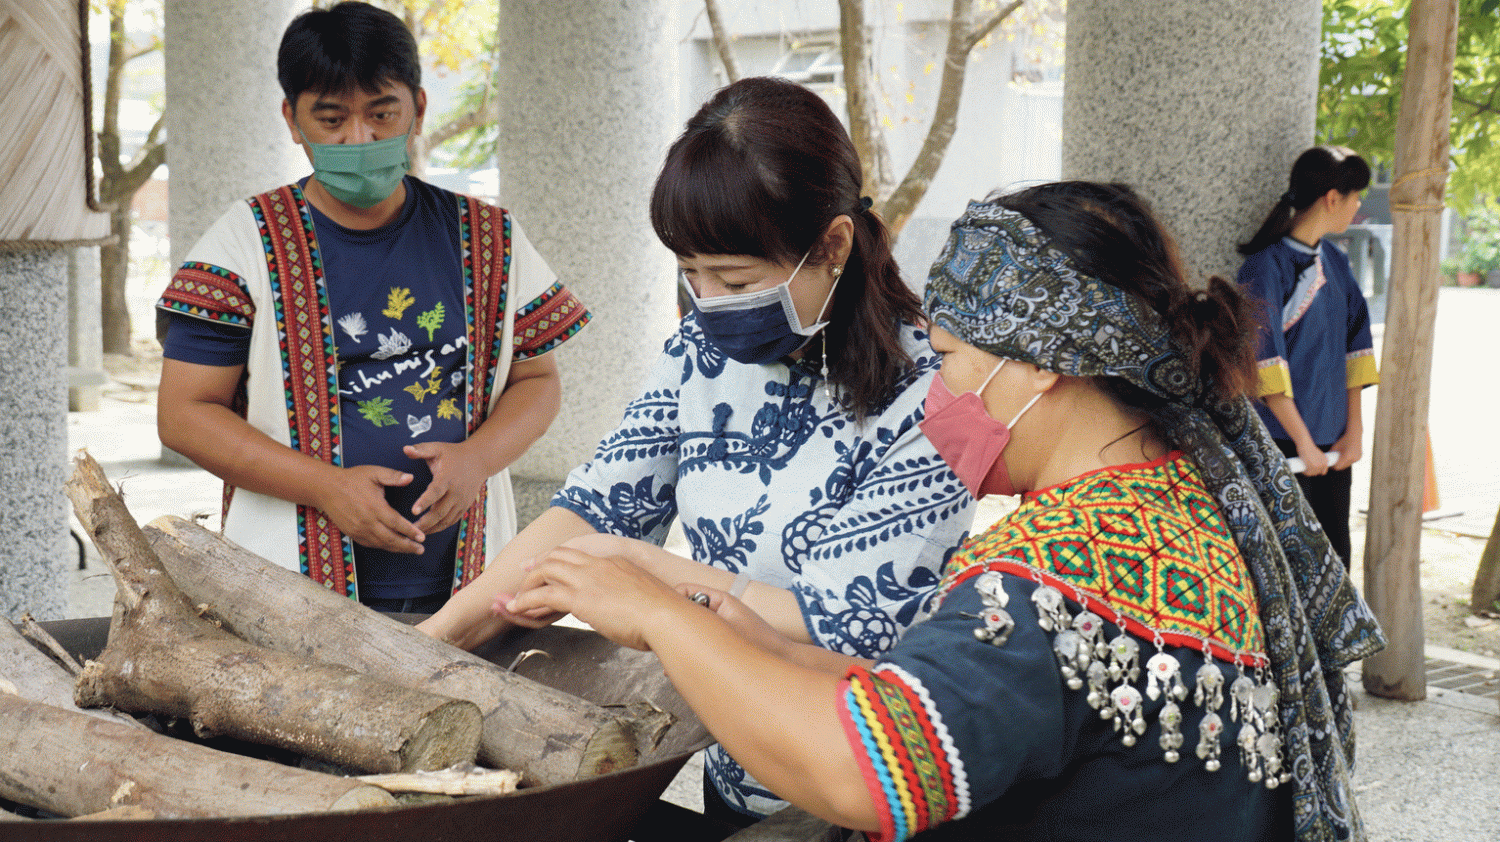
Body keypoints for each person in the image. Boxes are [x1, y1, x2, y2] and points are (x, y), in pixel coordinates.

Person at [504, 182, 1386, 842]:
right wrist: (745, 634)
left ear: (1041, 363)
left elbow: (869, 775)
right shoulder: (1183, 498)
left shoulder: (1067, 567)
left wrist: (663, 618)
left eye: (956, 358)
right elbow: (931, 698)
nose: (938, 396)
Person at [417, 76, 974, 821]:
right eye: (689, 274)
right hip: (730, 751)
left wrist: (650, 579)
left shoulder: (942, 397)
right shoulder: (697, 355)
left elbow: (854, 625)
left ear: (833, 243)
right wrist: (432, 646)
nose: (708, 303)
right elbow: (592, 512)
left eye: (736, 278)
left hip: (858, 773)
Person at [155, 2, 590, 614]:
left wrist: (476, 461)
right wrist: (326, 488)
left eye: (382, 114)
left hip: (470, 580)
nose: (358, 139)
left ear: (418, 108)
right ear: (292, 119)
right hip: (289, 586)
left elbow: (538, 381)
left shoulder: (489, 236)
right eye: (330, 119)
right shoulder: (241, 245)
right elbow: (184, 414)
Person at [1236, 146, 1379, 569]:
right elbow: (1264, 365)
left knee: (1335, 564)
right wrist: (1301, 442)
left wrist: (1353, 432)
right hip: (1285, 449)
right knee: (1293, 570)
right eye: (1356, 198)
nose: (1358, 207)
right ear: (1333, 198)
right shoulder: (1264, 268)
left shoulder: (1336, 261)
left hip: (1332, 449)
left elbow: (1357, 347)